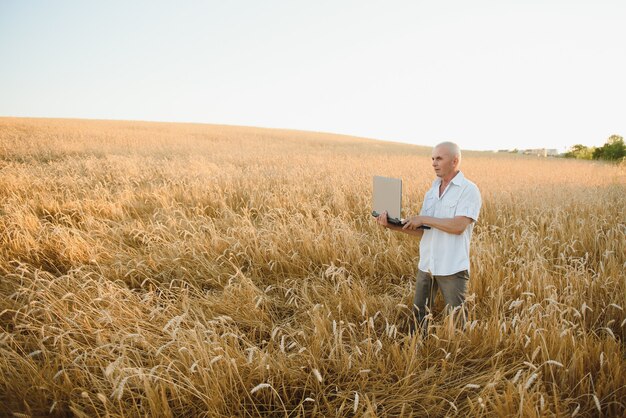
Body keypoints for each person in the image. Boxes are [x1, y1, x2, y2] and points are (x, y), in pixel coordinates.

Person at [376, 141, 481, 336]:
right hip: (427, 264)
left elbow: (458, 226)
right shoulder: (431, 192)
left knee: (457, 321)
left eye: (439, 158)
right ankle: (417, 352)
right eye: (432, 158)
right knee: (419, 315)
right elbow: (425, 231)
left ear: (455, 161)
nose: (434, 163)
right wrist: (394, 226)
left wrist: (423, 218)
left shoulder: (468, 190)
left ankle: (457, 359)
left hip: (452, 266)